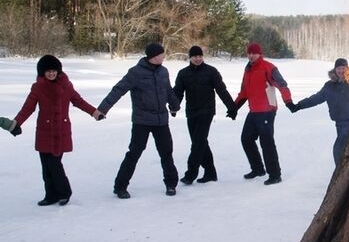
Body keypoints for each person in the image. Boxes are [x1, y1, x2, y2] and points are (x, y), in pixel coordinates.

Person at [94, 43, 181, 198]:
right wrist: (102, 109)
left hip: (161, 121)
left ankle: (171, 184)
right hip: (142, 121)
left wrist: (174, 106)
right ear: (153, 56)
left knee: (166, 152)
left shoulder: (163, 71)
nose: (164, 56)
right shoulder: (135, 73)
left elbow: (168, 90)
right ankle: (120, 187)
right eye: (161, 54)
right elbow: (118, 90)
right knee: (134, 153)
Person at [12, 55, 98, 206]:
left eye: (54, 71)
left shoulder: (67, 86)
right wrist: (16, 123)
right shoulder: (38, 87)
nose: (51, 74)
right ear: (42, 72)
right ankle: (50, 195)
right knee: (46, 166)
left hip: (60, 131)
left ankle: (64, 193)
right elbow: (28, 108)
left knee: (54, 164)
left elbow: (78, 101)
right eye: (48, 71)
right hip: (44, 131)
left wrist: (94, 112)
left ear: (58, 71)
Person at [227, 42, 294, 185]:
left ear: (259, 53)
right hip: (254, 111)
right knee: (246, 139)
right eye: (249, 53)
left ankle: (275, 174)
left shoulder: (268, 67)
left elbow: (282, 85)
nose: (251, 55)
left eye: (253, 53)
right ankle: (258, 169)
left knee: (267, 142)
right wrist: (234, 108)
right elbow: (244, 91)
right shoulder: (248, 69)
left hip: (267, 111)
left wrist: (288, 101)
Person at [173, 45, 236, 184]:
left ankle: (191, 174)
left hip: (206, 112)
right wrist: (173, 107)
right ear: (190, 57)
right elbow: (177, 92)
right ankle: (210, 172)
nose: (198, 58)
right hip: (191, 111)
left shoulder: (211, 72)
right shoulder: (183, 73)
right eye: (195, 56)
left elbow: (222, 90)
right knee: (200, 142)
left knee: (198, 142)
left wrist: (232, 107)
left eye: (200, 56)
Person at [287, 57, 349, 166]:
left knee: (338, 149)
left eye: (343, 68)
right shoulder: (329, 86)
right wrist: (298, 106)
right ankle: (345, 174)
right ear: (335, 70)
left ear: (347, 69)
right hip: (339, 124)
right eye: (338, 68)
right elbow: (315, 99)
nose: (341, 71)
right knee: (345, 150)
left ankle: (340, 174)